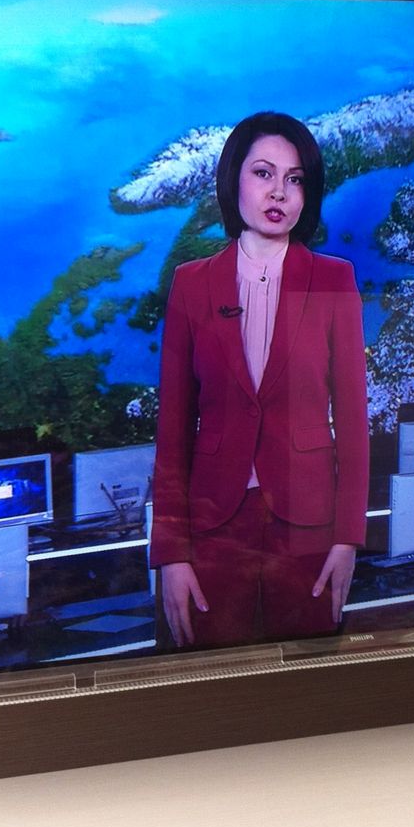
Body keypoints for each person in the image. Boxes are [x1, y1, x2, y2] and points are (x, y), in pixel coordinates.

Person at [150, 111, 370, 648]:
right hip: (214, 526)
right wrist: (171, 554)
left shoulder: (334, 280)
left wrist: (348, 540)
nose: (279, 193)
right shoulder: (192, 284)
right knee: (214, 677)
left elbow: (354, 424)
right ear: (234, 180)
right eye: (263, 173)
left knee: (307, 679)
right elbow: (173, 429)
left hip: (309, 526)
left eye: (295, 179)